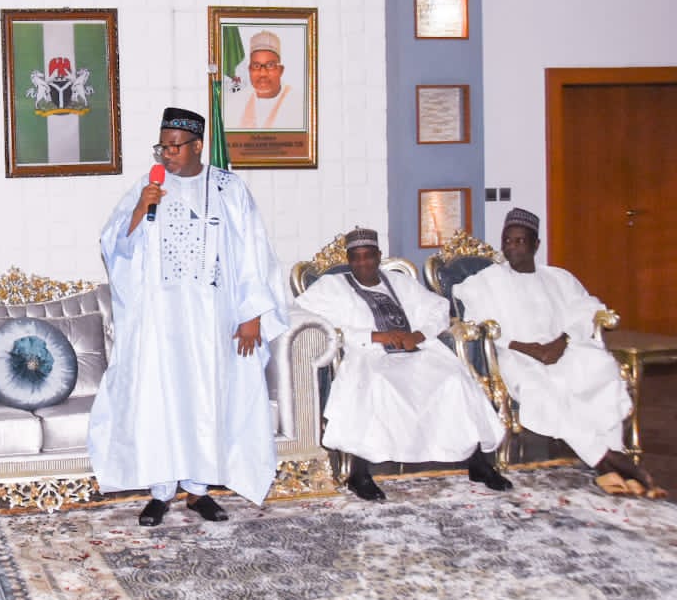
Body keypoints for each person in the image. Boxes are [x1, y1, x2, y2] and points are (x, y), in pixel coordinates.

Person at [89, 107, 290, 525]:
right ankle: (161, 491)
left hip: (213, 318)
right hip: (160, 318)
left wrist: (252, 314)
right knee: (161, 400)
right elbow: (114, 244)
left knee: (206, 398)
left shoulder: (229, 188)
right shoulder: (148, 186)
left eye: (174, 147)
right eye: (161, 147)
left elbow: (252, 251)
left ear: (197, 145)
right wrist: (140, 209)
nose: (166, 155)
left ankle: (198, 491)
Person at [454, 208, 665, 498]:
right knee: (542, 390)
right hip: (517, 355)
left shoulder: (559, 278)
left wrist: (561, 342)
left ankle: (611, 461)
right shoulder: (486, 281)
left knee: (602, 369)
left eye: (520, 241)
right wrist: (531, 350)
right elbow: (480, 321)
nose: (512, 247)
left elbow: (586, 308)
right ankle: (611, 460)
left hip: (562, 350)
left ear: (536, 245)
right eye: (507, 241)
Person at [294, 227, 510, 501]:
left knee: (454, 380)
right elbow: (307, 317)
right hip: (369, 356)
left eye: (368, 256)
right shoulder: (332, 287)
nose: (362, 263)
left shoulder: (400, 282)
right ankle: (359, 473)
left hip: (418, 353)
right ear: (349, 260)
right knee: (376, 385)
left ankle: (478, 462)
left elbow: (438, 308)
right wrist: (373, 336)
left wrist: (418, 335)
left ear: (378, 256)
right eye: (355, 257)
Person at [226, 30, 304, 129]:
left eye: (270, 65)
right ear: (249, 70)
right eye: (256, 66)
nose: (263, 73)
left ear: (280, 70)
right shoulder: (234, 103)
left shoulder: (299, 104)